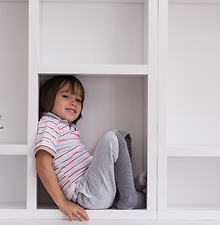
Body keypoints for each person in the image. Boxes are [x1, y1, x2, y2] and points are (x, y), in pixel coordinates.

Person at [34, 75, 147, 221]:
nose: (73, 102)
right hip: (85, 191)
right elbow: (42, 164)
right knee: (114, 137)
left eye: (78, 100)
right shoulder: (49, 123)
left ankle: (127, 190)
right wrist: (62, 203)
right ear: (48, 98)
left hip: (93, 190)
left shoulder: (67, 127)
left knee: (124, 140)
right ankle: (128, 193)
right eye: (66, 96)